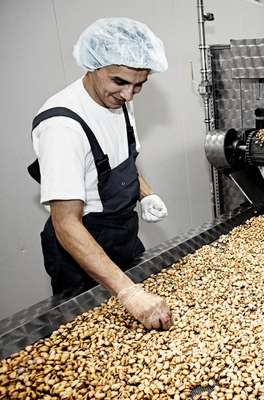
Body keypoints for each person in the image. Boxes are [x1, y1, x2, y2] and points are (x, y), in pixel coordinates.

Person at [30, 18, 172, 330]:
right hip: (79, 252)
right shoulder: (62, 126)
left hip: (122, 235)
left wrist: (146, 194)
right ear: (93, 65)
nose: (129, 95)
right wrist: (128, 291)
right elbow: (65, 223)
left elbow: (121, 161)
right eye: (119, 81)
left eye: (139, 85)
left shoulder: (120, 100)